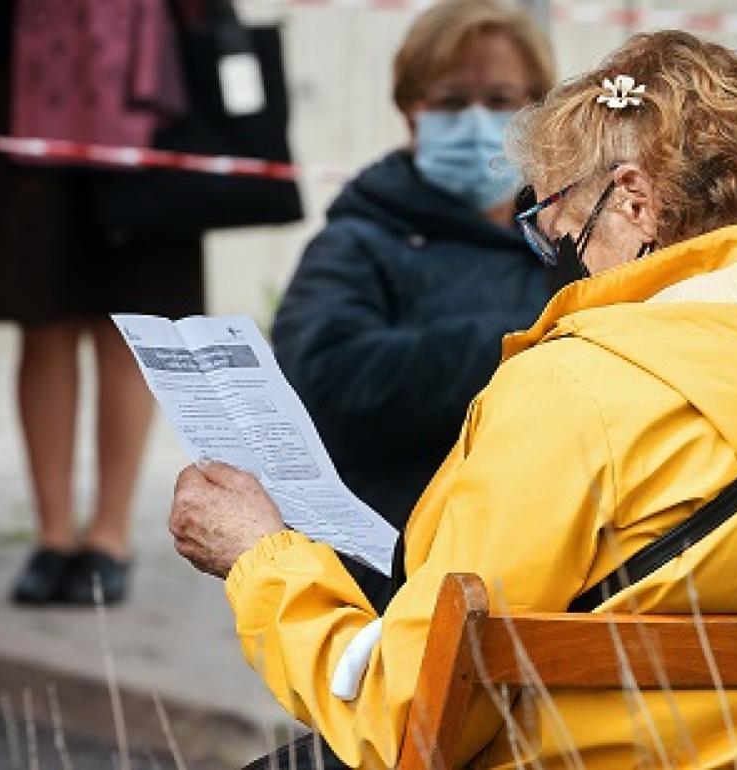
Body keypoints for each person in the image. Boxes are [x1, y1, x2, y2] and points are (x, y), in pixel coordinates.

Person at [169, 31, 737, 768]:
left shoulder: (574, 390)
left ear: (635, 202)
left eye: (562, 226)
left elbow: (405, 714)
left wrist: (262, 556)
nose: (563, 257)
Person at [0, 0, 205, 604]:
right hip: (22, 83)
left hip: (148, 90)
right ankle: (52, 536)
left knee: (129, 324)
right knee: (40, 315)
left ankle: (110, 537)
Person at [270, 0, 554, 612]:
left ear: (538, 109)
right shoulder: (359, 240)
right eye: (452, 103)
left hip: (543, 579)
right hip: (393, 580)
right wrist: (528, 346)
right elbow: (321, 386)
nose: (478, 122)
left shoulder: (574, 239)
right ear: (410, 109)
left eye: (502, 100)